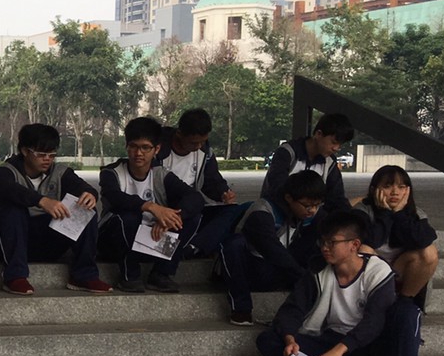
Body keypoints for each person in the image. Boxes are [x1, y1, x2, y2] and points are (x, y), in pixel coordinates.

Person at [256, 209, 422, 356]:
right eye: (323, 242)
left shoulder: (378, 271)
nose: (325, 248)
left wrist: (339, 350)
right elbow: (292, 309)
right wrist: (290, 339)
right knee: (269, 339)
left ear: (354, 245)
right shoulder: (318, 270)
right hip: (331, 342)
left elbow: (375, 321)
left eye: (332, 242)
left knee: (409, 311)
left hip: (374, 344)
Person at [0, 123, 110, 296]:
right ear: (25, 151)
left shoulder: (60, 172)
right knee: (13, 209)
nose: (47, 159)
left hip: (47, 241)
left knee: (85, 210)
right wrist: (41, 201)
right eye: (41, 154)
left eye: (52, 155)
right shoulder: (6, 171)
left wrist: (90, 194)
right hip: (9, 239)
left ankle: (84, 275)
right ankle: (14, 276)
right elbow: (7, 188)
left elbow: (82, 187)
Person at [97, 116, 203, 293]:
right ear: (126, 146)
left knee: (192, 216)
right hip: (114, 242)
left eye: (145, 147)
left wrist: (170, 218)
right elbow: (115, 197)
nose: (139, 153)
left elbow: (195, 197)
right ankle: (129, 276)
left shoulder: (160, 174)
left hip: (151, 240)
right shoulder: (112, 172)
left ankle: (161, 274)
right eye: (134, 146)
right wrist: (152, 207)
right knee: (128, 217)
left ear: (157, 149)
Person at [219, 171, 325, 326]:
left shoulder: (312, 215)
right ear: (289, 198)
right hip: (253, 268)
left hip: (281, 270)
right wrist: (304, 278)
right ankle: (241, 309)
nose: (313, 210)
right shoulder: (263, 211)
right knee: (234, 244)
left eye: (317, 205)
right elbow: (272, 250)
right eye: (307, 206)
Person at [157, 109, 242, 259]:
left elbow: (212, 179)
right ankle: (178, 248)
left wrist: (223, 193)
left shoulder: (204, 151)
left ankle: (194, 247)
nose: (198, 146)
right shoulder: (159, 150)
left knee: (233, 210)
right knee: (194, 208)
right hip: (165, 208)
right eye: (193, 142)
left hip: (191, 207)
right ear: (179, 134)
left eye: (202, 141)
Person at [354, 165, 439, 308]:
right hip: (373, 267)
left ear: (408, 191)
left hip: (401, 267)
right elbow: (370, 240)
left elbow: (422, 240)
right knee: (364, 249)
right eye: (387, 186)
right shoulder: (363, 210)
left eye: (401, 187)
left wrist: (399, 215)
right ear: (374, 189)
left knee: (429, 252)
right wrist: (385, 213)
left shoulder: (416, 213)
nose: (395, 192)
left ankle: (405, 302)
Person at [262, 112, 353, 212]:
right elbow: (277, 187)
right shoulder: (288, 153)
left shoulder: (329, 162)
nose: (336, 148)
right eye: (334, 142)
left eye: (340, 145)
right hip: (276, 213)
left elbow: (336, 198)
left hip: (310, 218)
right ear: (318, 134)